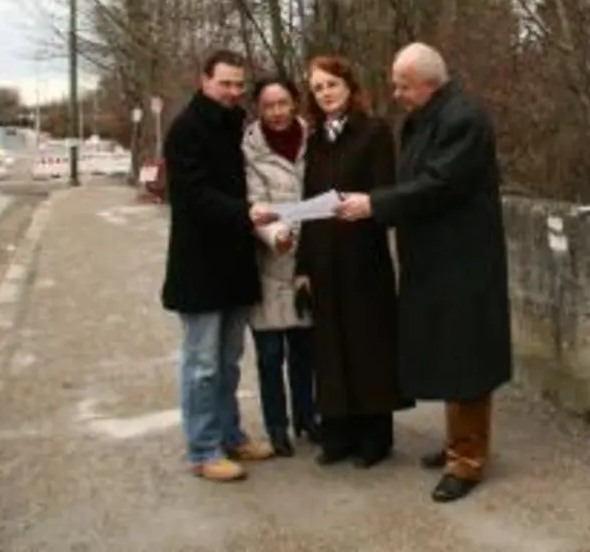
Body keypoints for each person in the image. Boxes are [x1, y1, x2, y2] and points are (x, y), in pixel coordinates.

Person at [335, 42, 513, 503]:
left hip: (464, 260)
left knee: (467, 359)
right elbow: (414, 180)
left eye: (403, 86)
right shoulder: (424, 118)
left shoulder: (464, 120)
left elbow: (439, 184)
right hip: (435, 257)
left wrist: (375, 204)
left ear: (430, 84)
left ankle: (467, 460)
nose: (396, 94)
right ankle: (459, 443)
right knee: (448, 355)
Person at [160, 49, 280, 482]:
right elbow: (193, 196)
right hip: (200, 266)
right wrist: (245, 213)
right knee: (202, 366)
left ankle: (230, 435)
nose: (233, 91)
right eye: (225, 83)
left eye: (238, 84)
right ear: (204, 80)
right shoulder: (186, 130)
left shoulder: (236, 126)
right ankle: (203, 449)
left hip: (235, 263)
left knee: (228, 362)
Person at [295, 55, 407, 469]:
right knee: (329, 346)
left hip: (363, 255)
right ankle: (338, 433)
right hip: (323, 259)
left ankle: (374, 437)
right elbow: (308, 205)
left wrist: (366, 205)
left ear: (349, 87)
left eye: (332, 85)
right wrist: (303, 268)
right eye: (318, 88)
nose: (325, 93)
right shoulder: (315, 141)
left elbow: (386, 192)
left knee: (367, 344)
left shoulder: (374, 133)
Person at [242, 75, 318, 457]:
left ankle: (307, 416)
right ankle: (277, 426)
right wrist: (275, 233)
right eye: (268, 105)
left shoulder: (314, 141)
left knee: (305, 351)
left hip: (309, 262)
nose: (276, 112)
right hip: (268, 263)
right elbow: (255, 204)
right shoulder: (248, 151)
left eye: (282, 103)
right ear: (258, 108)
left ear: (295, 103)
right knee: (271, 355)